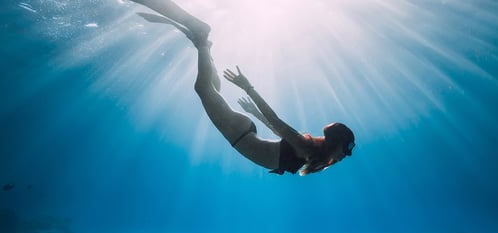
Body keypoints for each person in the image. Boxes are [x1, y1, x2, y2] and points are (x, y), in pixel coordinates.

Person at [131, 0, 355, 175]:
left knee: (211, 89)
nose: (347, 154)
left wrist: (253, 113)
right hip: (239, 134)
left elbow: (275, 128)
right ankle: (201, 36)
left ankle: (203, 45)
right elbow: (276, 121)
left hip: (243, 132)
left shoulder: (316, 157)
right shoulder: (306, 148)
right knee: (203, 88)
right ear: (335, 143)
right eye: (346, 149)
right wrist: (248, 87)